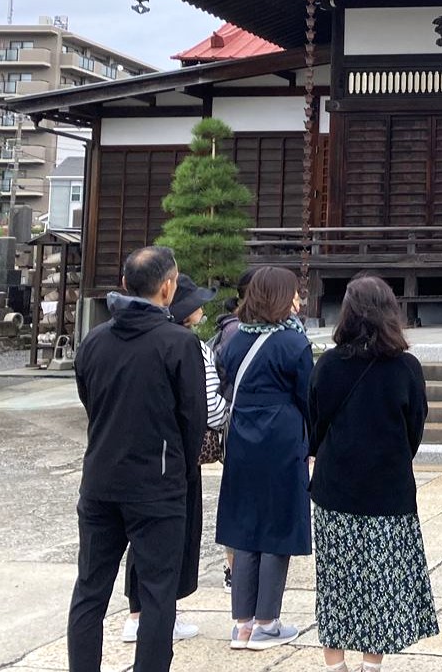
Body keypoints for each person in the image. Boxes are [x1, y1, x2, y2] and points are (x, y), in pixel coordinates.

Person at [66, 247, 204, 672]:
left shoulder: (94, 340)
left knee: (91, 588)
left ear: (125, 285)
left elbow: (90, 402)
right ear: (167, 288)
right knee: (157, 591)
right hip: (157, 483)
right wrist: (176, 468)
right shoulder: (179, 343)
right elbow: (193, 421)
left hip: (101, 478)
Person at [309, 275, 439, 672]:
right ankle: (371, 664)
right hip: (389, 490)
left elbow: (315, 425)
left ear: (347, 312)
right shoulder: (406, 367)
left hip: (336, 490)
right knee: (380, 583)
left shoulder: (330, 364)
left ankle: (335, 665)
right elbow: (414, 427)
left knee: (336, 584)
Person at [215, 265, 313, 651]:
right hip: (282, 438)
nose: (298, 299)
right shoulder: (294, 343)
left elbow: (224, 382)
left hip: (242, 437)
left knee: (244, 527)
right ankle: (267, 622)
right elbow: (308, 396)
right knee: (276, 529)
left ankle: (241, 623)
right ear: (279, 297)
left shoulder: (234, 339)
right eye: (293, 292)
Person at [121, 273, 222, 644]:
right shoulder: (188, 346)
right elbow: (205, 409)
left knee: (139, 541)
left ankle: (136, 613)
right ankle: (162, 615)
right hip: (177, 458)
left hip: (132, 454)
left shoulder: (127, 340)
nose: (200, 308)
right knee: (171, 539)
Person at [211, 265, 258, 592]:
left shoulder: (236, 331)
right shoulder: (238, 333)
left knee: (240, 497)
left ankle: (238, 567)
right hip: (241, 423)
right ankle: (234, 569)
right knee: (242, 500)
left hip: (239, 423)